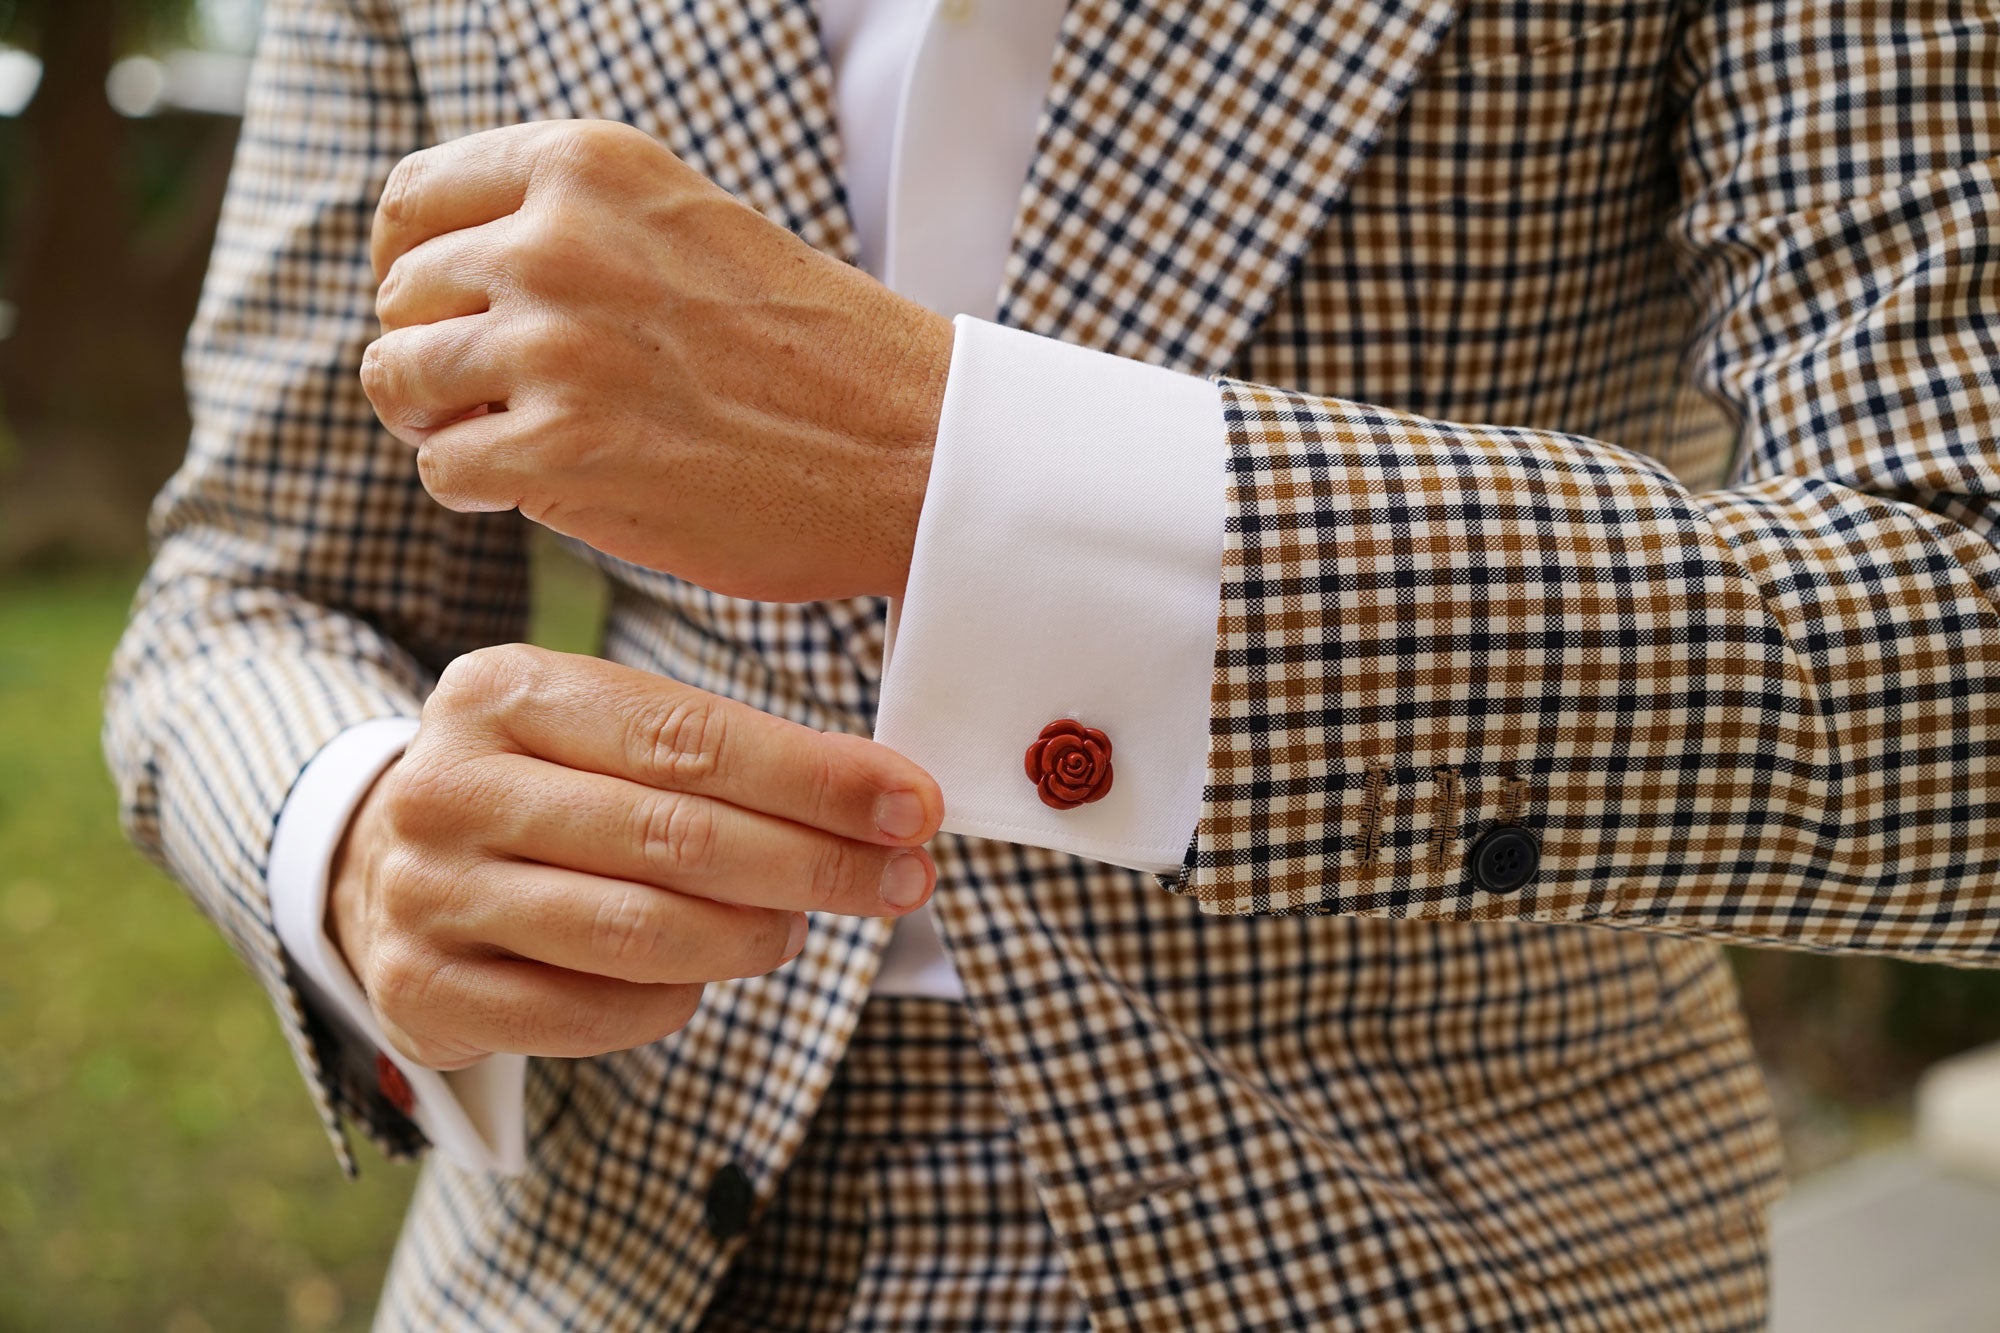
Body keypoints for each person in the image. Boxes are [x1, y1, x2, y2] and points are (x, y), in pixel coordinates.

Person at [106, 0, 2000, 1327]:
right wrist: (349, 833)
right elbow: (243, 590)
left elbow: (1962, 651)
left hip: (1446, 1240)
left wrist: (941, 462)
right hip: (590, 1247)